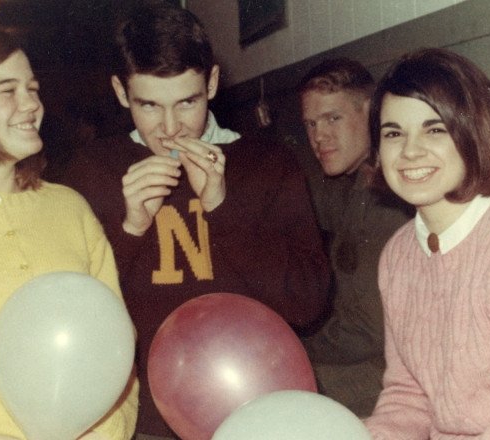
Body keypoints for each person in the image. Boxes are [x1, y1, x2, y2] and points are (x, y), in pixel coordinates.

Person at [56, 1, 330, 437]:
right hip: (143, 422)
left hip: (258, 413)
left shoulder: (269, 162)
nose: (171, 128)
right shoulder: (93, 170)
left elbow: (308, 305)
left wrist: (223, 206)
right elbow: (72, 319)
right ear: (121, 93)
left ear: (213, 83)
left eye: (187, 102)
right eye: (149, 105)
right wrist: (130, 229)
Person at [0, 26, 138, 439]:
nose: (32, 105)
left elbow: (117, 347)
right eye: (8, 90)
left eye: (33, 88)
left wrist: (108, 432)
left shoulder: (70, 208)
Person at [362, 48, 490, 439]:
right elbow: (407, 397)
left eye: (435, 129)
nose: (410, 151)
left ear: (473, 134)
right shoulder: (397, 253)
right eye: (393, 133)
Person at [296, 58, 413, 417]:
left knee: (277, 387)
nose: (319, 136)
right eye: (311, 124)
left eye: (333, 118)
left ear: (371, 111)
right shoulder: (357, 182)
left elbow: (368, 331)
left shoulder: (390, 197)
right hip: (372, 359)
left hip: (391, 376)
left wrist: (293, 347)